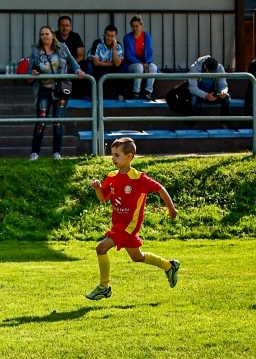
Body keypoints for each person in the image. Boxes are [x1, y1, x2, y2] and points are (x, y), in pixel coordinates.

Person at [86, 136, 179, 301]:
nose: (113, 158)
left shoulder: (138, 178)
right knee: (137, 257)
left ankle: (104, 287)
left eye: (117, 155)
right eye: (112, 154)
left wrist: (172, 210)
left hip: (129, 226)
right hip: (118, 225)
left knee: (101, 248)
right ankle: (169, 266)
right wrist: (98, 188)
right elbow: (103, 198)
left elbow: (160, 189)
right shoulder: (111, 176)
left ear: (129, 156)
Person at [27, 25, 85, 161]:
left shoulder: (62, 48)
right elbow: (29, 70)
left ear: (53, 35)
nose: (44, 37)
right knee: (41, 122)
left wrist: (78, 71)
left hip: (60, 90)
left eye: (47, 34)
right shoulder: (36, 51)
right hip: (43, 89)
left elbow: (72, 61)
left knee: (58, 123)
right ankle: (35, 152)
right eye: (42, 34)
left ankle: (57, 153)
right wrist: (33, 73)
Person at [122, 16, 159, 100]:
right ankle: (136, 92)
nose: (135, 28)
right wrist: (141, 63)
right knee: (139, 67)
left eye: (137, 26)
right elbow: (128, 55)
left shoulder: (147, 36)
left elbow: (150, 52)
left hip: (145, 62)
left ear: (141, 26)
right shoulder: (127, 38)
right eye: (133, 26)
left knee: (153, 67)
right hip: (132, 64)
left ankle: (148, 92)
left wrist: (147, 63)